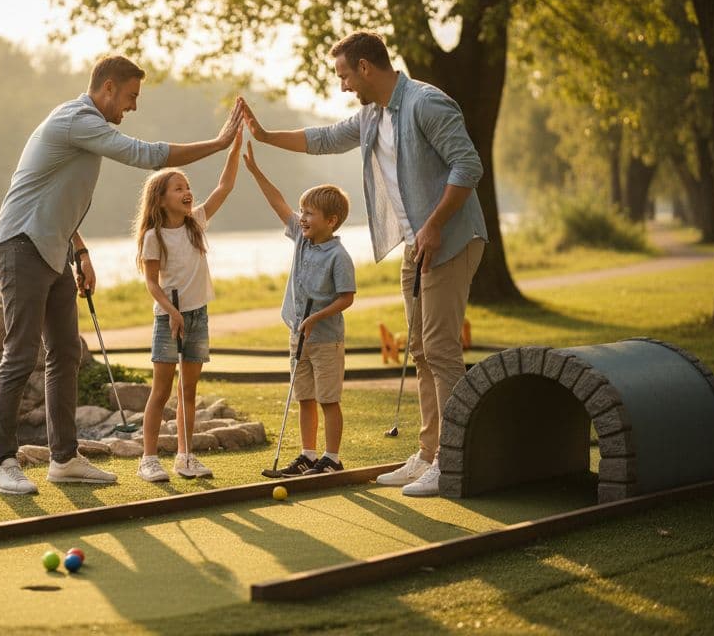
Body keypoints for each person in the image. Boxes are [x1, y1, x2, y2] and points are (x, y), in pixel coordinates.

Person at [242, 31, 487, 497]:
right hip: (417, 244)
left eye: (344, 75)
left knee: (440, 349)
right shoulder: (373, 114)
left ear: (365, 67)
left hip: (450, 238)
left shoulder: (426, 104)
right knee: (421, 350)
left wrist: (434, 225)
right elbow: (324, 139)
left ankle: (454, 458)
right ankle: (429, 453)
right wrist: (266, 135)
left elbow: (468, 167)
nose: (343, 86)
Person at [0, 55, 243, 495]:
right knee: (21, 353)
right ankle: (2, 462)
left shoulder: (84, 130)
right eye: (130, 96)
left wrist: (80, 250)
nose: (133, 106)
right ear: (108, 87)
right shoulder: (77, 120)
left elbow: (54, 197)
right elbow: (147, 155)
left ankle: (64, 459)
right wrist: (218, 144)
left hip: (53, 248)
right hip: (21, 245)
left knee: (65, 352)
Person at [133, 126, 244, 482]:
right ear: (160, 199)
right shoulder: (153, 237)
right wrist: (172, 312)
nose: (187, 192)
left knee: (188, 390)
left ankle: (185, 457)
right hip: (169, 318)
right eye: (178, 188)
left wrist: (234, 148)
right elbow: (152, 282)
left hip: (197, 315)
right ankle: (149, 459)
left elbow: (224, 187)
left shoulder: (195, 222)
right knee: (162, 390)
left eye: (187, 186)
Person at [243, 142, 356, 476]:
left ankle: (332, 458)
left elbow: (346, 298)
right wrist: (255, 171)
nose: (302, 217)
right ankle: (308, 455)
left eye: (309, 213)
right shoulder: (301, 238)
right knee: (305, 397)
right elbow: (278, 202)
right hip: (298, 336)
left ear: (331, 221)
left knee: (328, 399)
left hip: (325, 340)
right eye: (302, 212)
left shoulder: (339, 256)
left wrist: (316, 317)